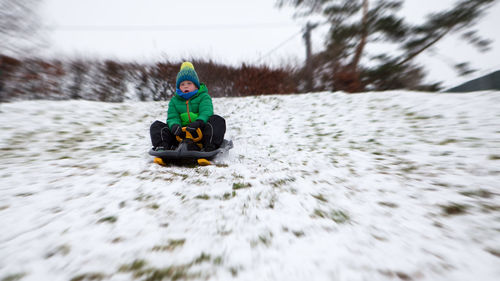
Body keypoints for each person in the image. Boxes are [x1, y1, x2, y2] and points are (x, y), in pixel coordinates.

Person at [150, 62, 226, 152]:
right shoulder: (174, 101)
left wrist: (199, 122)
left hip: (200, 133)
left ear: (196, 85)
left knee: (217, 120)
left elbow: (206, 112)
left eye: (189, 83)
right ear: (179, 87)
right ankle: (163, 146)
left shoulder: (204, 97)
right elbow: (172, 117)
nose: (185, 86)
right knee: (157, 126)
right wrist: (175, 126)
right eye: (182, 84)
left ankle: (210, 146)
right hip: (180, 135)